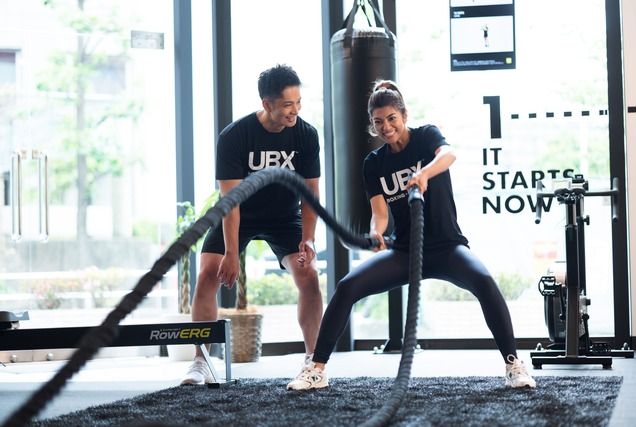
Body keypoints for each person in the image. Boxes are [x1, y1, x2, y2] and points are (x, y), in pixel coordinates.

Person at [287, 80, 536, 390]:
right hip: (404, 251)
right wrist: (375, 234)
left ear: (404, 115)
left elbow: (449, 155)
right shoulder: (374, 164)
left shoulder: (426, 136)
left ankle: (514, 365)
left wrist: (424, 174)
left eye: (392, 118)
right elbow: (380, 214)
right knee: (347, 286)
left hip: (446, 247)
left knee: (484, 282)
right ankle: (316, 369)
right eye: (379, 121)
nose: (386, 127)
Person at [182, 64, 322, 385]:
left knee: (309, 274)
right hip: (239, 214)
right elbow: (231, 201)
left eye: (299, 102)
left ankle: (313, 360)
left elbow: (311, 195)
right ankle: (201, 361)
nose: (296, 110)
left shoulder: (306, 135)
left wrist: (309, 239)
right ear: (267, 104)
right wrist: (232, 253)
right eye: (288, 104)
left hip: (284, 217)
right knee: (207, 273)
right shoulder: (235, 136)